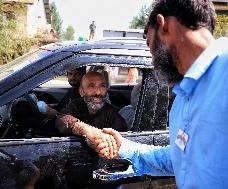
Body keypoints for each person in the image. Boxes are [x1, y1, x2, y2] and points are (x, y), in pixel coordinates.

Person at [86, 0, 228, 188]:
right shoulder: (182, 100)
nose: (152, 59)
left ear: (164, 26)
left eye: (149, 43)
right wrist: (127, 149)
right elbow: (180, 159)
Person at [55, 71, 127, 134]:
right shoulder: (76, 105)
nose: (98, 92)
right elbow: (61, 120)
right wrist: (83, 129)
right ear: (81, 92)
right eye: (91, 86)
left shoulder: (113, 114)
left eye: (102, 86)